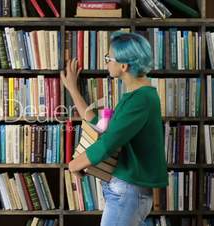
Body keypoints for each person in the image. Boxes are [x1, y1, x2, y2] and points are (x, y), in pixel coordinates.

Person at [60, 31, 168, 226]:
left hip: (128, 192)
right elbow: (101, 127)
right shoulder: (137, 97)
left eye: (108, 58)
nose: (106, 62)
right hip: (127, 191)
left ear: (123, 66)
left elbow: (108, 144)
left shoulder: (140, 100)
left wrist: (75, 164)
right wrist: (73, 89)